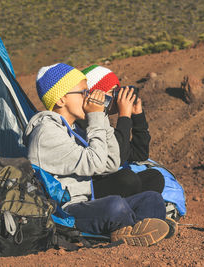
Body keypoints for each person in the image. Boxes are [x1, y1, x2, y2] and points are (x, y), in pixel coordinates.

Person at [23, 63, 170, 246]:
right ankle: (138, 228)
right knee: (115, 206)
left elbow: (111, 162)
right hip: (64, 213)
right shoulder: (46, 132)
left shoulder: (72, 129)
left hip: (87, 203)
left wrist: (102, 116)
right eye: (84, 92)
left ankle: (132, 229)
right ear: (61, 99)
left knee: (153, 198)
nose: (89, 97)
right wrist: (96, 117)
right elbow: (97, 163)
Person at [80, 65, 165, 199]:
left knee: (155, 177)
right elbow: (118, 158)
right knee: (128, 179)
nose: (117, 96)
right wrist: (124, 116)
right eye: (113, 91)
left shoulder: (104, 122)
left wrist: (138, 116)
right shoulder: (86, 124)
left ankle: (132, 213)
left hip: (108, 183)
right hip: (88, 187)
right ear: (95, 95)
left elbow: (139, 154)